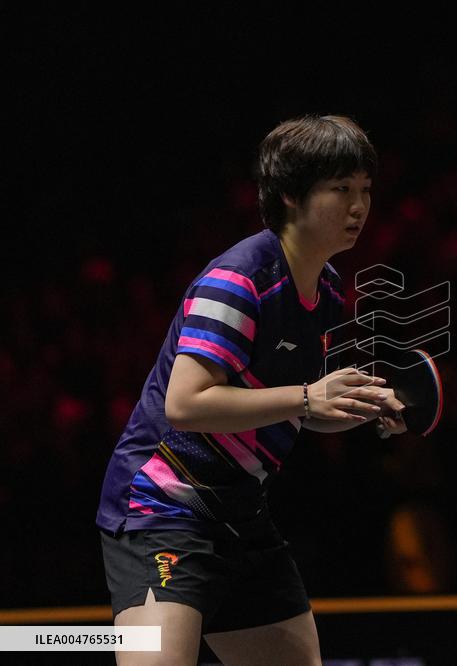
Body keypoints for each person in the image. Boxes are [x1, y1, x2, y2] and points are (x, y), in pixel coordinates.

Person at [96, 115, 407, 665]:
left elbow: (285, 407)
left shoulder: (327, 290)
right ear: (290, 195)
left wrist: (354, 406)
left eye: (365, 189)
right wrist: (309, 396)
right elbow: (186, 403)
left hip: (241, 514)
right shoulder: (239, 280)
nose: (359, 206)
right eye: (340, 189)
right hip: (164, 508)